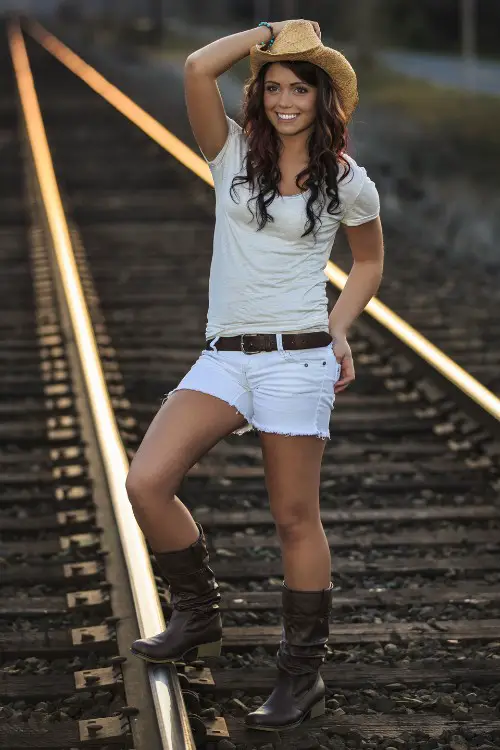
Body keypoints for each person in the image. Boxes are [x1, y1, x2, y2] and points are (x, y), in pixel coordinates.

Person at [126, 19, 384, 732]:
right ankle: (197, 612)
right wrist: (267, 33)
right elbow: (194, 68)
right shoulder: (229, 152)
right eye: (274, 87)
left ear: (322, 97)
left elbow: (368, 263)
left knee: (294, 518)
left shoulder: (348, 181)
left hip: (297, 359)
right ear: (260, 95)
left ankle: (301, 676)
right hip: (225, 356)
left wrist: (338, 329)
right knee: (146, 482)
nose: (285, 100)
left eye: (299, 87)